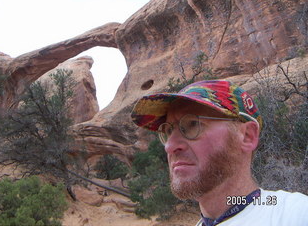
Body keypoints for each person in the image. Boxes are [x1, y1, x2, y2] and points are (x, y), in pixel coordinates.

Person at [131, 80, 308, 226]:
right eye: (168, 131)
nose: (169, 146)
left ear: (247, 136)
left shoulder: (295, 214)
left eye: (193, 124)